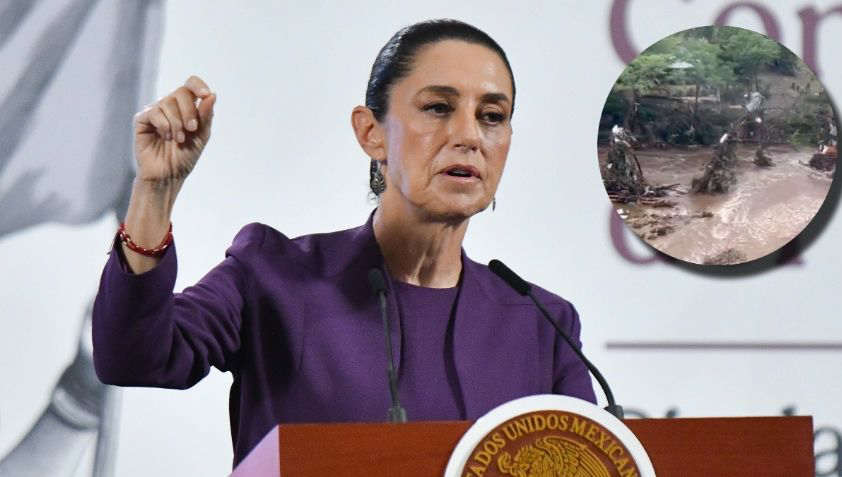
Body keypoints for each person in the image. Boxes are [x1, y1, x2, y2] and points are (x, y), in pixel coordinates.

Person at [92, 19, 595, 468]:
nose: (469, 135)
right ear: (371, 133)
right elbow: (132, 356)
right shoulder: (275, 276)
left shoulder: (543, 325)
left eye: (492, 116)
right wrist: (156, 191)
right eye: (439, 108)